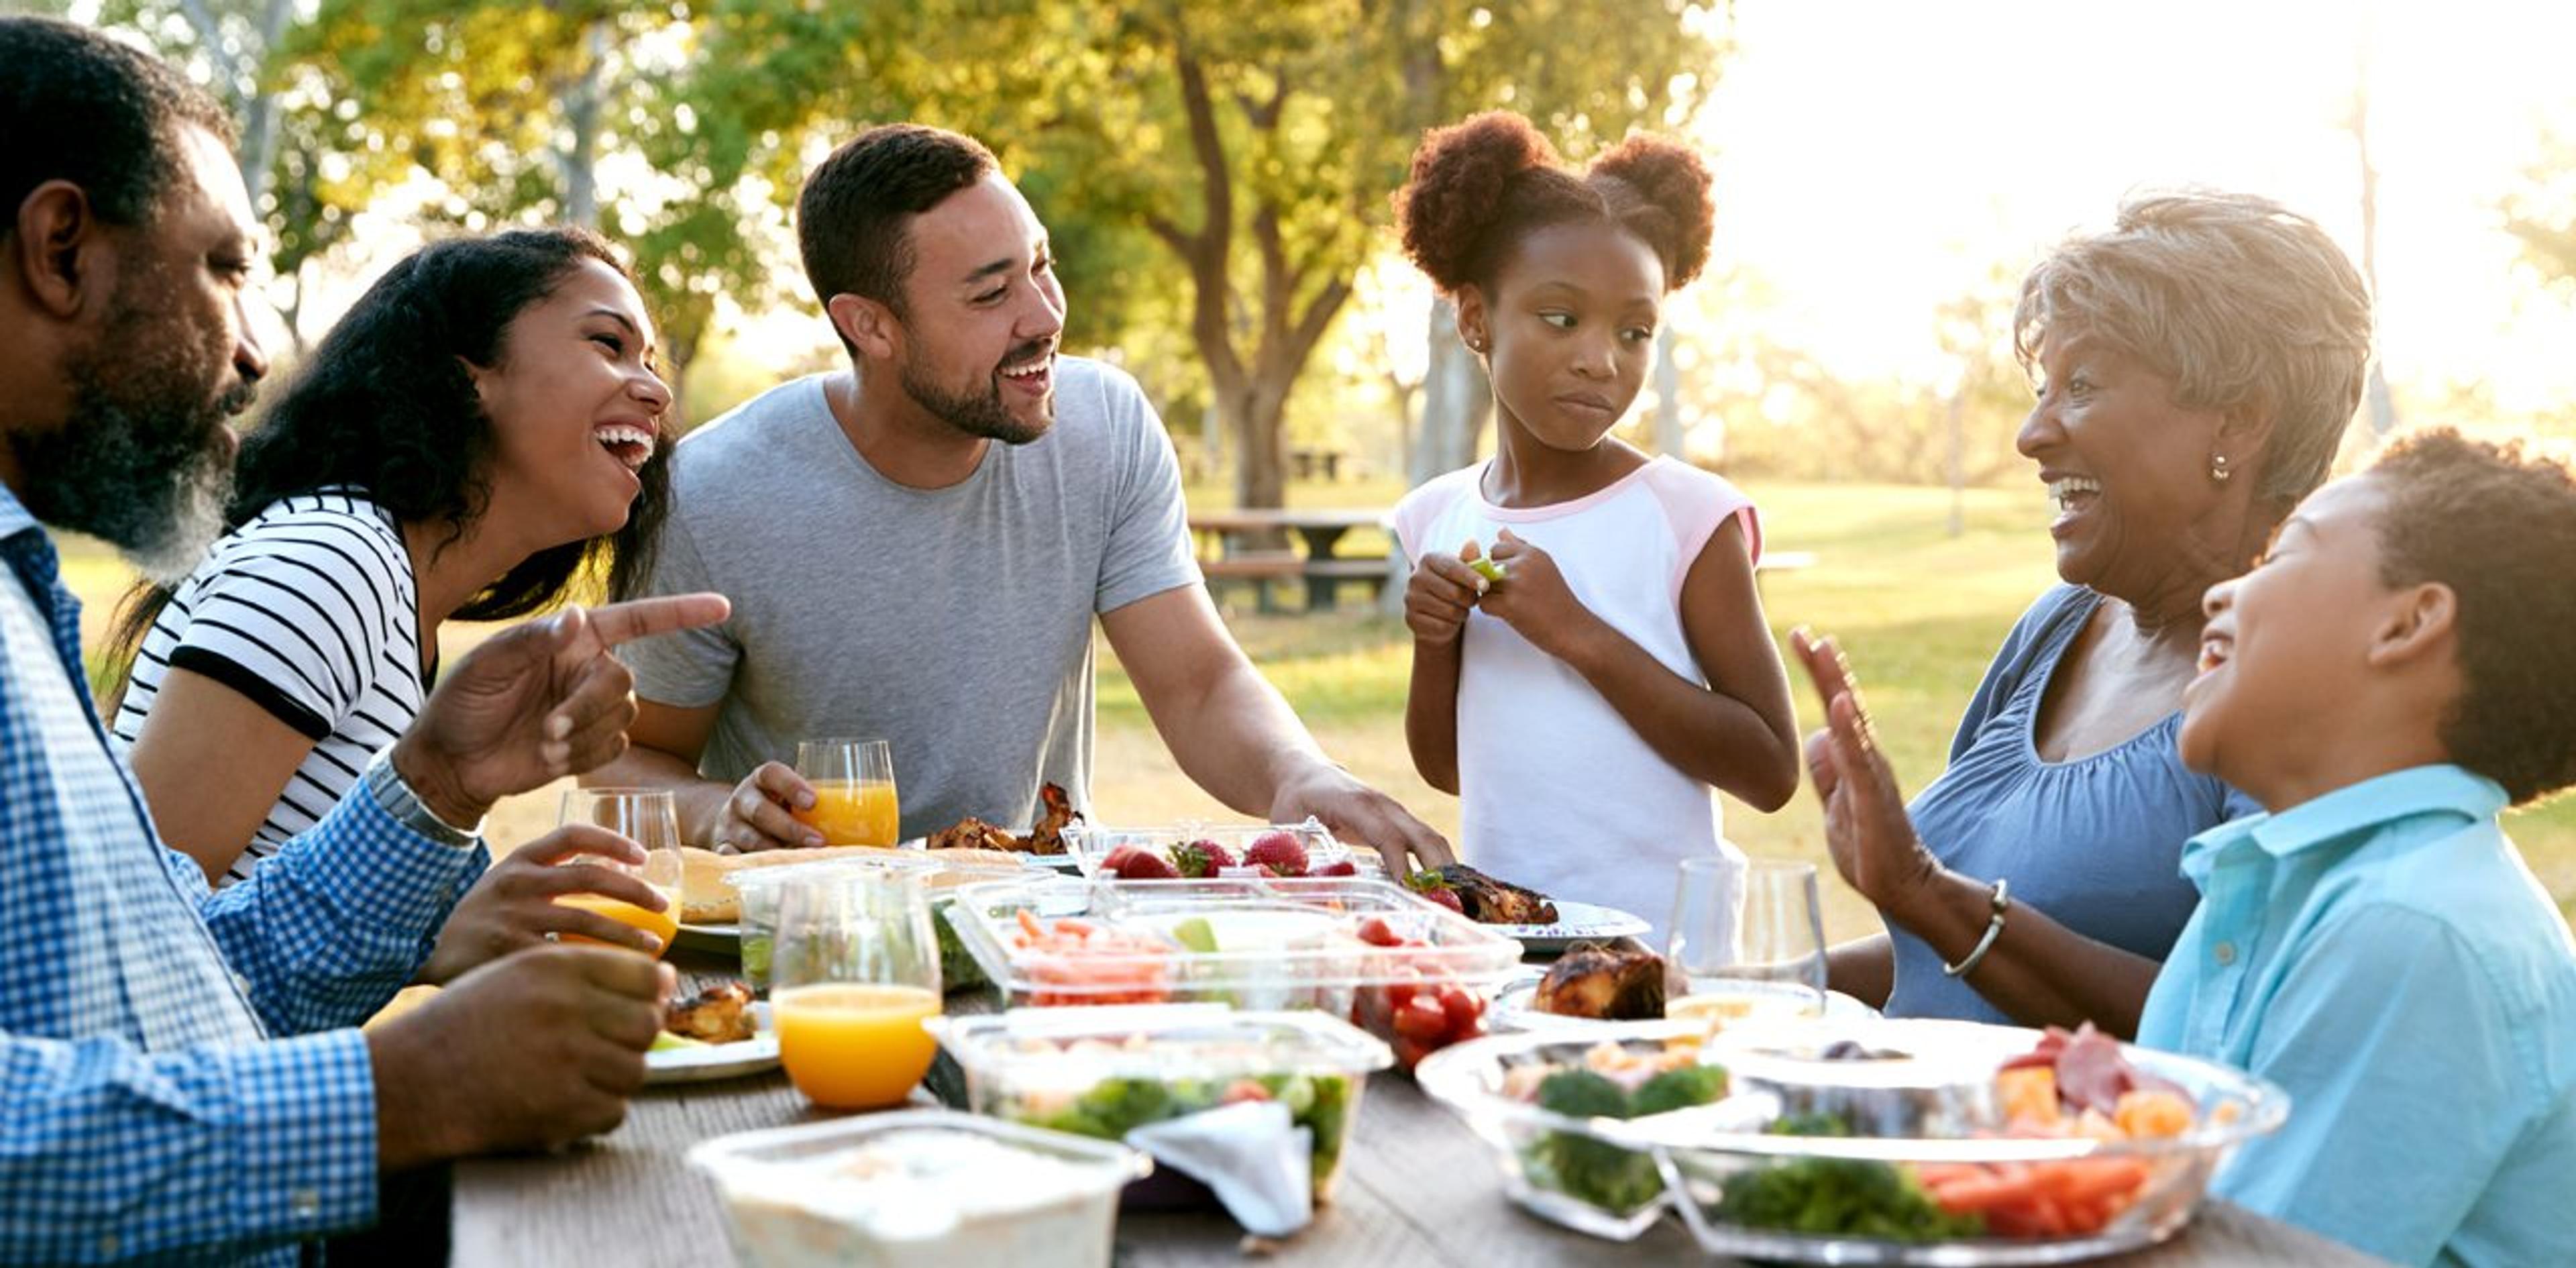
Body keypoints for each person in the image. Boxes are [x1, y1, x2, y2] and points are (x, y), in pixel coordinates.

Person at [0, 18, 727, 1260]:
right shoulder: (331, 561)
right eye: (224, 269)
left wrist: (431, 791)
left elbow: (171, 980)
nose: (251, 345)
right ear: (61, 249)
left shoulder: (27, 601)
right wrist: (398, 1092)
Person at [593, 123, 1452, 871]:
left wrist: (1300, 776)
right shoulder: (710, 496)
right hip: (820, 945)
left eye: (1041, 266)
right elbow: (625, 767)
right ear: (871, 326)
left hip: (1042, 921)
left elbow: (1196, 685)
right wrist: (720, 813)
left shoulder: (1104, 426)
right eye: (991, 292)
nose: (1044, 315)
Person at [1811, 429, 2576, 1265]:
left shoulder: (2419, 931)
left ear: (2407, 624)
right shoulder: (2274, 884)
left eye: (2285, 556)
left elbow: (2225, 1252)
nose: (2223, 596)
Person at [1791, 191, 2373, 1031]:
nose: (2031, 434)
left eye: (2083, 385)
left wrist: (1925, 889)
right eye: (2042, 388)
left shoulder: (2298, 685)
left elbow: (2245, 1027)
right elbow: (1942, 952)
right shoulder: (2059, 626)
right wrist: (1731, 986)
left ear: (2239, 423)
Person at [105, 227, 675, 914]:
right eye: (608, 345)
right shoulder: (328, 568)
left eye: (650, 362)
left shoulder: (394, 599)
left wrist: (455, 930)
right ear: (471, 377)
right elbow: (127, 920)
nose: (655, 392)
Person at [1387, 113, 1798, 934]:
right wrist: (1437, 642)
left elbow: (1770, 769)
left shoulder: (1687, 517)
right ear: (1475, 319)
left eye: (1634, 331)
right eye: (1561, 318)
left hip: (1667, 955)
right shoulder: (1437, 516)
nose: (1600, 360)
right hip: (1510, 936)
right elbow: (1449, 768)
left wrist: (1578, 633)